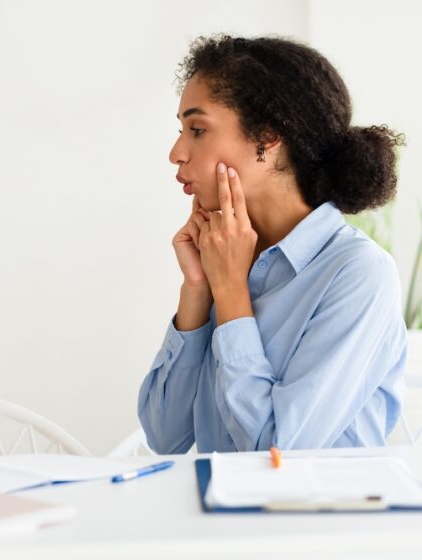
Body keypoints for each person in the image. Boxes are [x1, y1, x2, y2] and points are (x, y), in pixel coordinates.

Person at [138, 35, 407, 453]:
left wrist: (230, 294)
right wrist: (198, 290)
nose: (176, 152)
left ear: (267, 136)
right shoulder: (226, 254)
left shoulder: (359, 273)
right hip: (216, 517)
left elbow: (277, 453)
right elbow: (163, 436)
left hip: (317, 517)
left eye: (197, 129)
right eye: (181, 131)